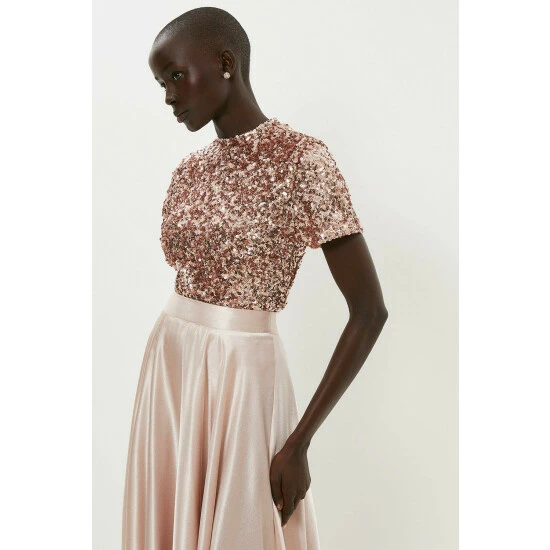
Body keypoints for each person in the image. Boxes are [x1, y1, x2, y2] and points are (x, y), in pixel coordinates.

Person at [122, 7, 388, 550]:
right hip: (171, 363)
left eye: (175, 75)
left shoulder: (303, 161)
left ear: (226, 63)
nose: (168, 96)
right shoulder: (191, 170)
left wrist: (299, 442)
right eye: (161, 83)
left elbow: (369, 311)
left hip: (245, 375)